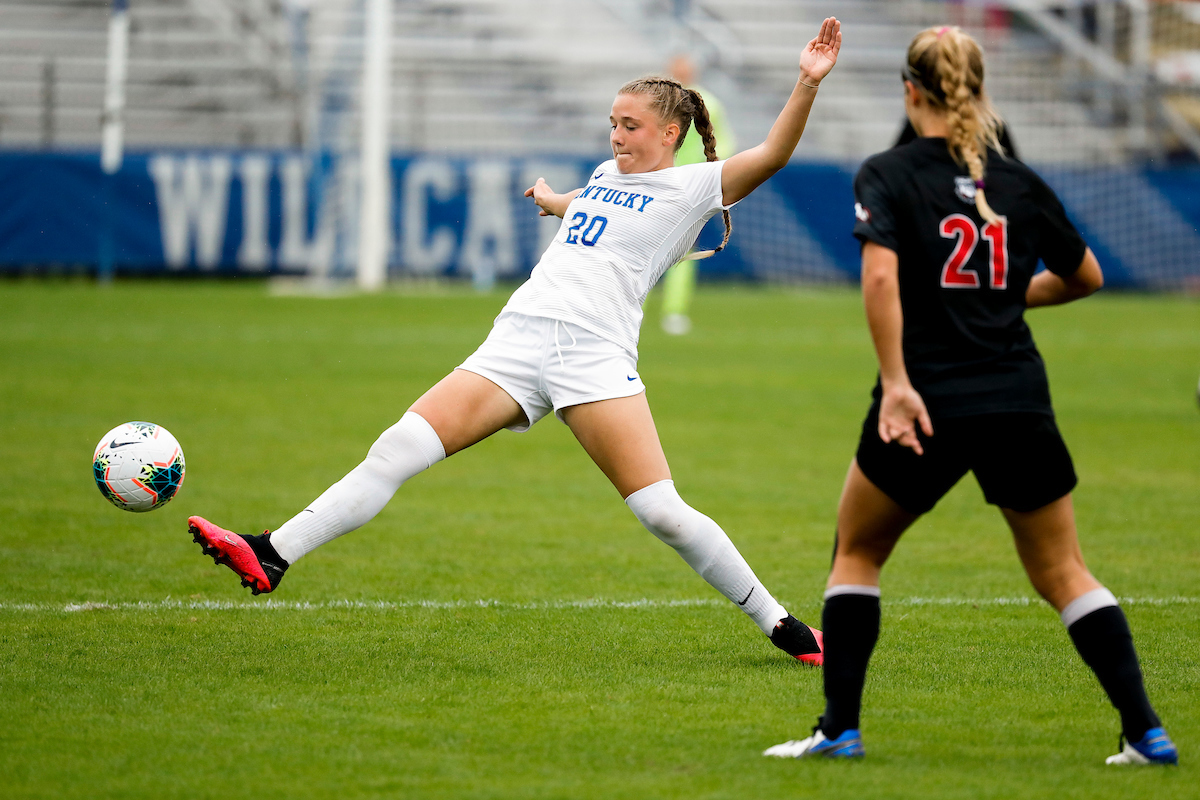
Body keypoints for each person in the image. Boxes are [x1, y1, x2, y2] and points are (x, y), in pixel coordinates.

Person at [187, 18, 844, 667]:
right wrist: (556, 200)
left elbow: (773, 155)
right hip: (517, 340)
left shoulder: (694, 186)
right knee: (397, 448)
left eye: (631, 125)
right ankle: (273, 551)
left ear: (670, 133)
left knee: (662, 513)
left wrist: (807, 83)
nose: (616, 135)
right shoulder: (605, 175)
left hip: (593, 355)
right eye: (612, 123)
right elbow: (593, 204)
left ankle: (781, 624)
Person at [764, 25, 1176, 763]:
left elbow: (883, 278)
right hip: (1018, 396)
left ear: (909, 91)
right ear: (979, 89)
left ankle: (839, 730)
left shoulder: (888, 173)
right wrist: (1005, 299)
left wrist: (895, 384)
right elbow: (1086, 277)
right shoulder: (1017, 181)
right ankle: (1146, 730)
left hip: (926, 399)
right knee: (1064, 572)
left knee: (856, 552)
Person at [659, 54, 737, 336]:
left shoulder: (709, 105)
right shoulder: (658, 104)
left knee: (681, 251)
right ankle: (633, 308)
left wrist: (711, 174)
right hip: (658, 183)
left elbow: (724, 141)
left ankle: (673, 312)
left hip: (688, 189)